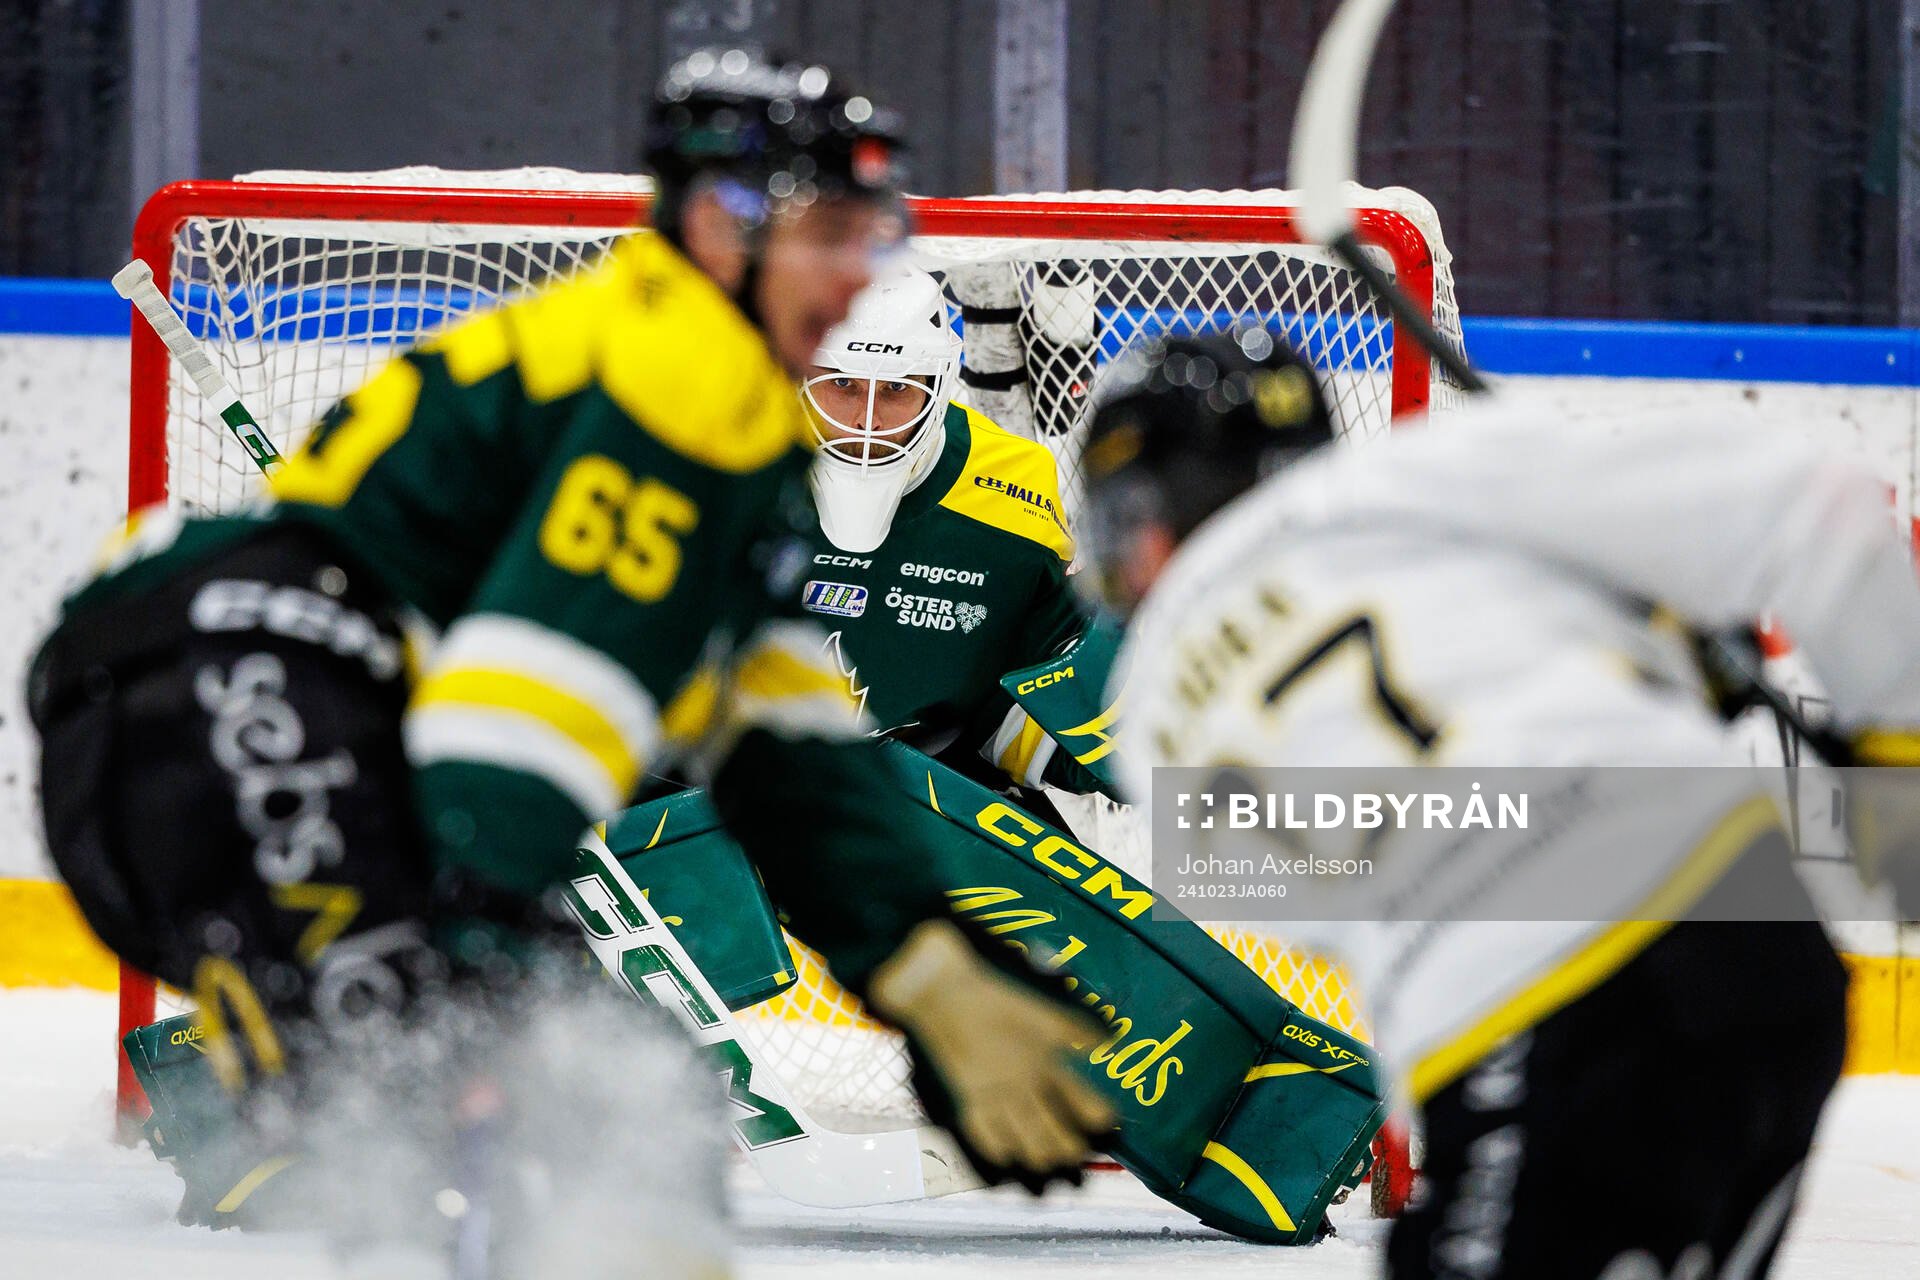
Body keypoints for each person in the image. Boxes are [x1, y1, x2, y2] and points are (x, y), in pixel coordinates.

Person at [27, 48, 1110, 1255]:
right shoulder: (673, 378)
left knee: (628, 1105)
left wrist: (921, 965)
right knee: (497, 1107)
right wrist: (481, 927)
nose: (860, 274)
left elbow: (788, 748)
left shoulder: (739, 427)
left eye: (874, 234)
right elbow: (530, 704)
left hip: (225, 706)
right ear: (714, 226)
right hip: (225, 693)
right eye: (834, 234)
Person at [1077, 331, 1920, 1278]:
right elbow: (1822, 509)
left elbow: (1322, 877)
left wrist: (1664, 659)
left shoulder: (1147, 707)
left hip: (1530, 1021)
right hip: (1758, 940)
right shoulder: (1422, 475)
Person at [790, 265, 1120, 804]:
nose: (866, 421)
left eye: (895, 388)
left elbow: (1064, 733)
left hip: (927, 808)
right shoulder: (731, 464)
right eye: (843, 384)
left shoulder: (1015, 490)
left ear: (938, 386)